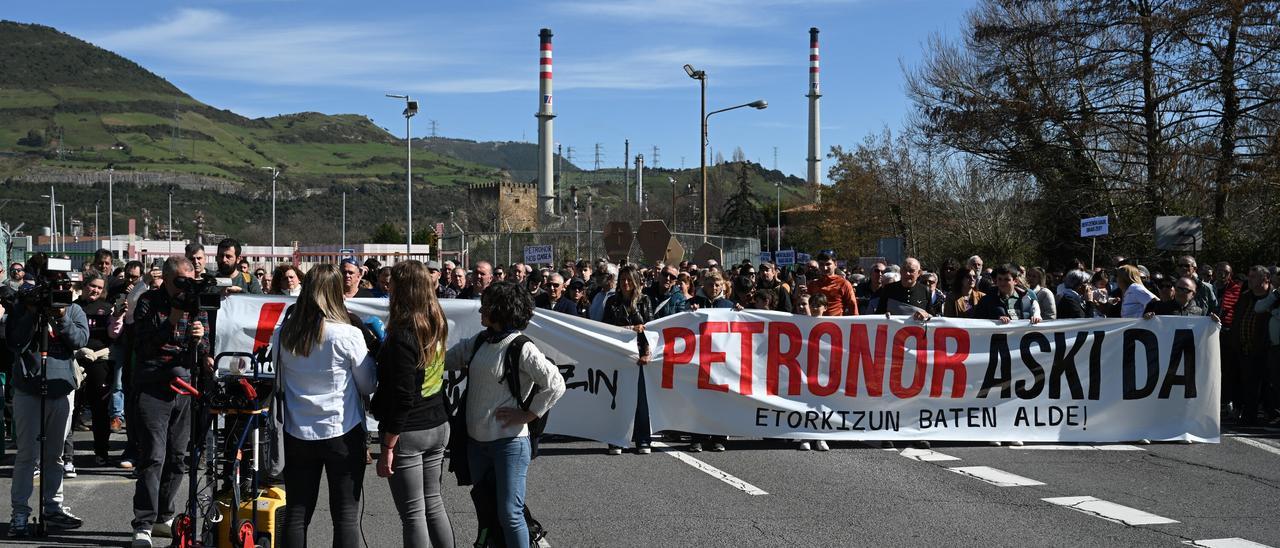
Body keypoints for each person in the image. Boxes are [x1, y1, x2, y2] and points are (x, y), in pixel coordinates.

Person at [443, 282, 565, 548]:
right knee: (487, 511)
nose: (481, 311)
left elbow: (555, 384)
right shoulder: (480, 341)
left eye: (486, 306)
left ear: (501, 309)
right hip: (477, 445)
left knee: (510, 515)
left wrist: (527, 415)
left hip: (509, 445)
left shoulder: (521, 347)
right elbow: (445, 360)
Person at [273, 264, 376, 548]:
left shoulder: (284, 333)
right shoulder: (347, 334)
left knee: (297, 512)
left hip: (297, 432)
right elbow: (368, 384)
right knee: (345, 516)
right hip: (342, 430)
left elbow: (278, 378)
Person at [129, 256, 211, 548]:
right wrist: (173, 319)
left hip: (185, 386)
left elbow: (206, 346)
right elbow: (144, 345)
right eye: (180, 281)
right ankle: (143, 523)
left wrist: (200, 339)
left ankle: (164, 514)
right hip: (153, 385)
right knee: (153, 456)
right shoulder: (148, 301)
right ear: (165, 278)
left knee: (178, 458)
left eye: (189, 280)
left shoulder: (196, 304)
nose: (184, 287)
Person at [372, 261, 454, 548]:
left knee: (413, 514)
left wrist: (388, 446)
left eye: (392, 284)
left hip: (409, 431)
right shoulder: (436, 322)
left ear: (404, 290)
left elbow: (403, 396)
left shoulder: (403, 334)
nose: (388, 289)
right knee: (433, 503)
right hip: (437, 423)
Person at [6, 255, 88, 537]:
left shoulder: (74, 309)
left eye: (64, 284)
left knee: (54, 456)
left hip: (61, 389)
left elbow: (79, 340)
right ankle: (19, 513)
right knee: (27, 455)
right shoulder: (23, 306)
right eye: (54, 284)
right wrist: (31, 311)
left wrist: (61, 315)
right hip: (29, 389)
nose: (59, 289)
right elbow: (15, 341)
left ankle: (53, 507)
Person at [603, 266, 655, 455]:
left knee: (641, 401)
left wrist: (647, 352)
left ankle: (643, 440)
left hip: (639, 355)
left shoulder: (644, 300)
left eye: (629, 279)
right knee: (617, 399)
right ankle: (616, 439)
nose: (625, 283)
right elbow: (605, 327)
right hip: (618, 355)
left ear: (636, 281)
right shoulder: (612, 302)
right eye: (622, 279)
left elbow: (651, 328)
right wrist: (631, 328)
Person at [73, 272, 122, 466]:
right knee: (72, 408)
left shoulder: (108, 309)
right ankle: (66, 455)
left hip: (100, 361)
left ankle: (101, 452)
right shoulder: (73, 307)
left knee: (100, 410)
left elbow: (114, 335)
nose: (95, 290)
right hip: (76, 361)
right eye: (92, 286)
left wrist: (117, 316)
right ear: (84, 285)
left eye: (99, 288)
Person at [1233, 266, 1273, 425]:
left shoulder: (1273, 298)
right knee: (1247, 384)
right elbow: (1238, 319)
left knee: (1267, 384)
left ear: (1266, 279)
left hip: (1267, 349)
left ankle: (1269, 413)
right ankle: (1248, 415)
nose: (1249, 279)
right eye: (1249, 276)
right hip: (1244, 348)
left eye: (1254, 277)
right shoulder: (1245, 297)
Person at [973, 264, 1042, 325]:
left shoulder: (1027, 299)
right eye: (1000, 279)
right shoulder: (986, 300)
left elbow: (1036, 315)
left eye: (1007, 279)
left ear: (1015, 281)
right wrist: (995, 321)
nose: (1002, 283)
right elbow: (978, 323)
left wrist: (1036, 317)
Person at [1144, 276, 1219, 320]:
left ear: (1193, 294)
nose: (1180, 292)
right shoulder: (1159, 308)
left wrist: (1213, 322)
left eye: (1185, 290)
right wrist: (1146, 319)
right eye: (1178, 289)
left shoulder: (1199, 312)